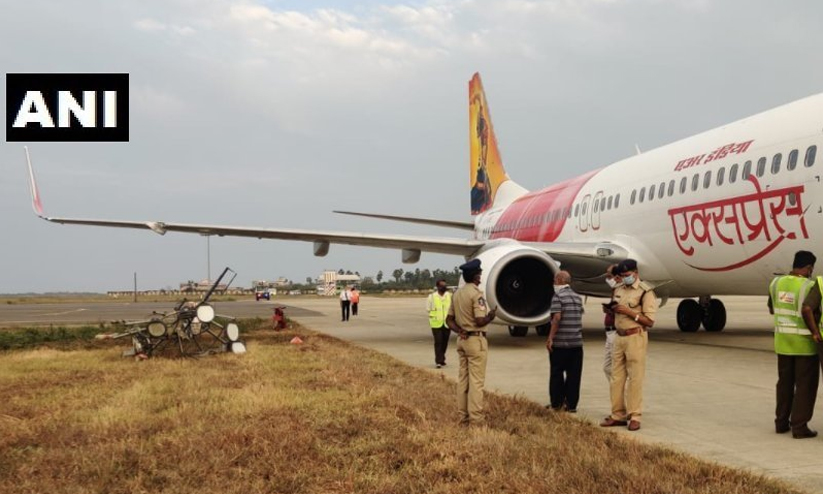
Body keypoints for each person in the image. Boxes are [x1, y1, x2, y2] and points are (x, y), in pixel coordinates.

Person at [600, 259, 657, 432]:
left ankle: (635, 415)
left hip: (635, 337)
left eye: (627, 275)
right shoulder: (618, 289)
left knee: (635, 378)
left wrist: (630, 312)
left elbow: (650, 321)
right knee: (616, 378)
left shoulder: (645, 292)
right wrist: (610, 310)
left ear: (635, 273)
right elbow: (617, 309)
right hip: (619, 337)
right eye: (622, 276)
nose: (624, 278)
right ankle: (618, 414)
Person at [770, 250, 819, 438]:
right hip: (804, 345)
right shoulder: (809, 286)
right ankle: (799, 427)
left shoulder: (776, 283)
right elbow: (812, 312)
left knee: (784, 384)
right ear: (808, 268)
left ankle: (781, 423)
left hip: (783, 343)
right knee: (805, 386)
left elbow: (772, 308)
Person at [447, 259, 497, 425]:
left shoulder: (457, 294)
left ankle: (463, 416)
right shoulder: (476, 294)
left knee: (463, 380)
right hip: (476, 340)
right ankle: (476, 418)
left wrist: (459, 330)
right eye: (480, 273)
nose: (481, 276)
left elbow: (449, 320)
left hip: (462, 340)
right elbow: (480, 320)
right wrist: (491, 316)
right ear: (476, 276)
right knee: (476, 381)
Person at [545, 271, 584, 412]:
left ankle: (557, 403)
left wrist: (550, 337)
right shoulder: (577, 297)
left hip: (561, 343)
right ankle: (571, 404)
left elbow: (557, 318)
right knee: (574, 376)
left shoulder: (557, 297)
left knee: (557, 373)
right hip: (576, 343)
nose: (553, 283)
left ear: (560, 280)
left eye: (555, 279)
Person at [427, 279, 452, 368]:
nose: (444, 287)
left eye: (445, 285)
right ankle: (438, 361)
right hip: (436, 323)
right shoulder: (432, 297)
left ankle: (442, 358)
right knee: (438, 342)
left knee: (445, 342)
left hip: (447, 323)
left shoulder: (449, 296)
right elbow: (428, 309)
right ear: (438, 287)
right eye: (442, 286)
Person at [602, 264, 621, 380]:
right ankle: (617, 393)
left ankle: (622, 394)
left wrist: (611, 310)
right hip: (609, 333)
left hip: (615, 333)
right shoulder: (615, 290)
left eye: (609, 276)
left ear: (617, 277)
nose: (607, 279)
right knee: (607, 368)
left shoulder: (621, 291)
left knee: (616, 368)